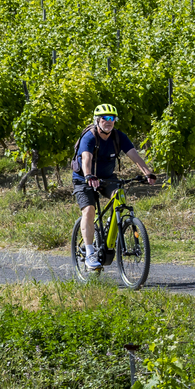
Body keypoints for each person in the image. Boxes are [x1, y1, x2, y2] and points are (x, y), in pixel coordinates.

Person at [75, 104, 157, 271]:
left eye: (113, 118)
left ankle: (111, 230)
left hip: (107, 178)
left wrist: (148, 172)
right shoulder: (89, 137)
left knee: (119, 197)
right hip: (84, 178)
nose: (109, 121)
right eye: (105, 118)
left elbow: (134, 156)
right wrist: (89, 176)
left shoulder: (118, 137)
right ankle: (90, 253)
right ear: (97, 120)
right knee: (89, 210)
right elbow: (86, 159)